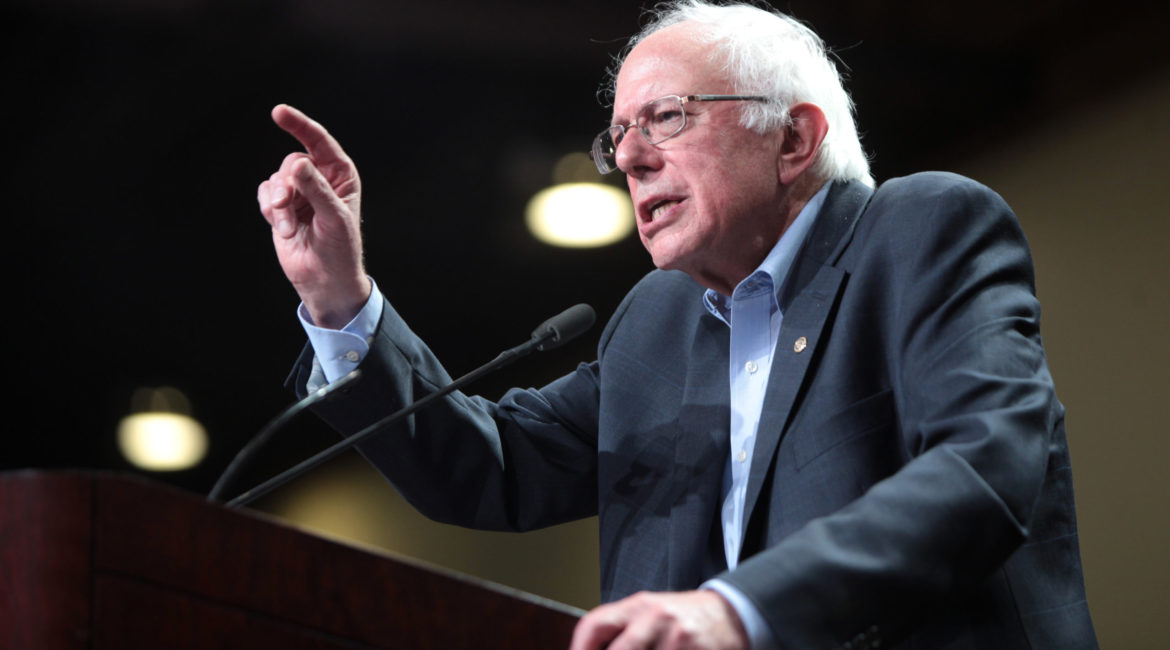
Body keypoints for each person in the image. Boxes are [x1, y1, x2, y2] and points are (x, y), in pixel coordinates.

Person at [256, 2, 1096, 648]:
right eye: (619, 134)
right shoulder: (657, 324)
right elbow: (493, 467)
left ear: (795, 139)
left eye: (666, 118)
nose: (628, 157)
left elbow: (988, 463)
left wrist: (738, 613)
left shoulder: (919, 232)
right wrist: (339, 295)